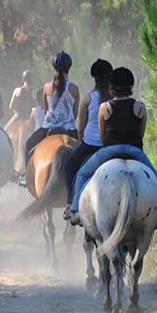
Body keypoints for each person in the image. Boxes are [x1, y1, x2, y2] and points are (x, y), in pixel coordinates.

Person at [64, 66, 157, 226]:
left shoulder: (105, 107)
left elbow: (103, 136)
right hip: (134, 150)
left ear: (112, 88)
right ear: (130, 87)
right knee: (156, 177)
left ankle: (74, 209)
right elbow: (141, 133)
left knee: (81, 174)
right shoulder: (140, 107)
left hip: (110, 150)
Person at [62, 59, 112, 208]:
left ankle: (71, 202)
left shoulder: (89, 97)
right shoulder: (113, 98)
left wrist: (81, 141)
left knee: (69, 167)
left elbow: (81, 128)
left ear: (94, 79)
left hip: (89, 145)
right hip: (108, 146)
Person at [23, 50, 79, 161]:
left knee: (28, 146)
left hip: (49, 128)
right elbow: (75, 113)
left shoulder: (46, 87)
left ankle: (25, 175)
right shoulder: (74, 88)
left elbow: (45, 110)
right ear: (69, 68)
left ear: (54, 68)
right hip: (70, 129)